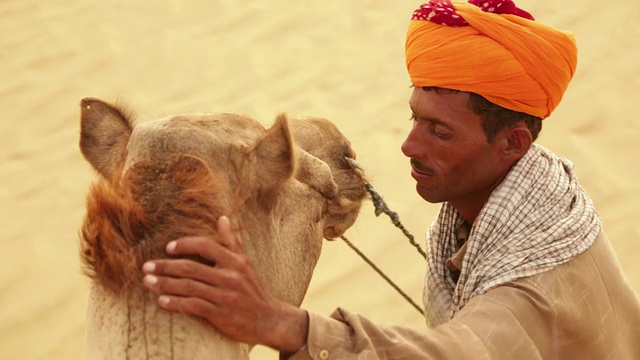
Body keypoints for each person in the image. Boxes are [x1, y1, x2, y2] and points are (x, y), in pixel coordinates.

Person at [140, 0, 640, 358]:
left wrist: (274, 322)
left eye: (439, 131)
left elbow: (457, 351)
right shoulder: (545, 202)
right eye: (414, 119)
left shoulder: (530, 288)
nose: (410, 146)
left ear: (512, 143)